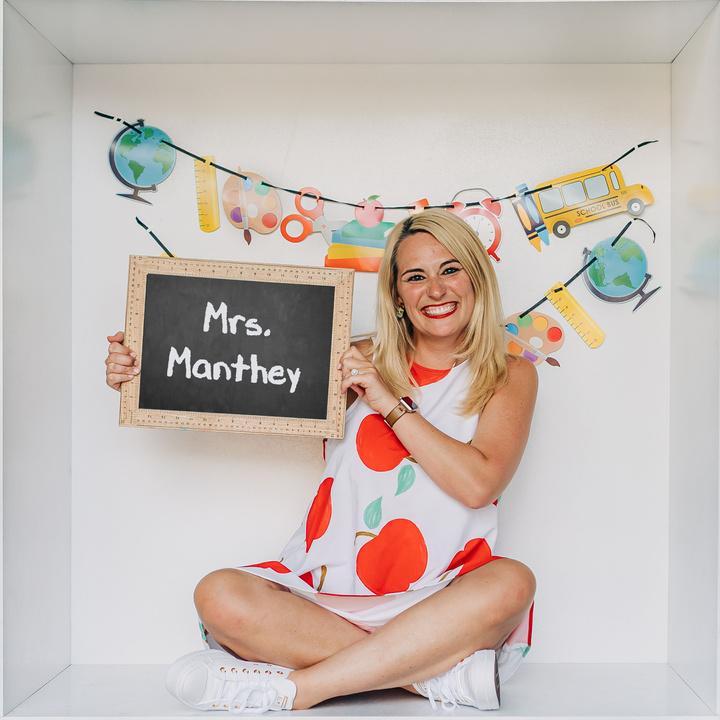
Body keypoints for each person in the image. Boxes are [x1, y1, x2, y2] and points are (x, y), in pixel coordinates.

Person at [105, 208, 538, 714]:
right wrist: (144, 367)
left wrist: (388, 402)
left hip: (441, 602)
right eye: (415, 277)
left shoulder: (509, 375)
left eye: (450, 269)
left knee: (513, 582)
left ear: (476, 276)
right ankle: (427, 676)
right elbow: (231, 376)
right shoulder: (350, 357)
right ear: (397, 294)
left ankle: (298, 689)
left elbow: (478, 484)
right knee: (218, 594)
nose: (435, 290)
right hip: (325, 597)